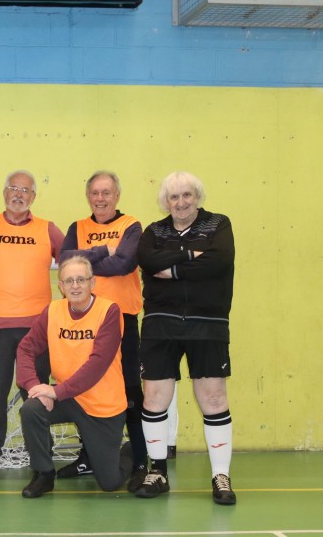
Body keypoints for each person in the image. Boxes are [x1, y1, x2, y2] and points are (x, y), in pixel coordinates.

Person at [133, 171, 237, 505]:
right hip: (160, 323)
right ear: (166, 201)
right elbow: (148, 261)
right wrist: (192, 255)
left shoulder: (218, 224)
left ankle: (220, 476)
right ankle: (157, 471)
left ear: (197, 197)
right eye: (174, 197)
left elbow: (219, 261)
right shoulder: (154, 231)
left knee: (214, 399)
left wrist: (174, 269)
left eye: (187, 195)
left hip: (208, 323)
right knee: (153, 398)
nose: (181, 202)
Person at [0, 170, 64, 475]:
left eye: (25, 190)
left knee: (36, 392)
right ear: (4, 193)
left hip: (37, 330)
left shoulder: (48, 229)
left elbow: (74, 266)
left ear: (33, 196)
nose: (18, 195)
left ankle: (42, 451)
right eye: (13, 188)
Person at [58, 170, 147, 489]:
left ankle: (141, 461)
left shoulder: (131, 226)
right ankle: (88, 458)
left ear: (117, 195)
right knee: (85, 389)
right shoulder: (78, 227)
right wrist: (102, 252)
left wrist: (82, 263)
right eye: (95, 193)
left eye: (106, 192)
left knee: (130, 391)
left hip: (122, 320)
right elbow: (64, 260)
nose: (100, 198)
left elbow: (124, 263)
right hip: (84, 321)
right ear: (88, 196)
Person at [16, 256, 130, 498]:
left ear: (93, 283)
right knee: (32, 409)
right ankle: (44, 474)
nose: (75, 286)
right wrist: (35, 387)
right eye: (69, 281)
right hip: (70, 398)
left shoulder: (109, 311)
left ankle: (132, 451)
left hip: (102, 405)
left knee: (110, 483)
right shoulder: (53, 311)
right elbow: (25, 349)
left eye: (81, 280)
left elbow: (98, 364)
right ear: (61, 286)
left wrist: (56, 392)